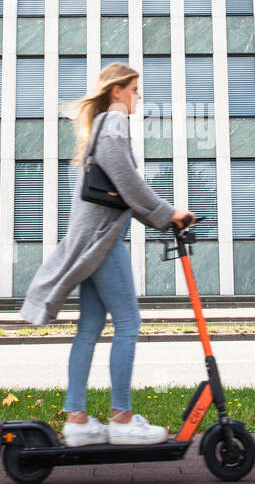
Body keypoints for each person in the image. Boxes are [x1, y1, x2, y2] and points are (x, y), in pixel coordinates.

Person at [19, 63, 192, 447]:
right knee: (129, 322)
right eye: (134, 88)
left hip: (92, 241)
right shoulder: (114, 124)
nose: (138, 96)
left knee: (90, 327)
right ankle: (122, 418)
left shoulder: (102, 126)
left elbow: (124, 195)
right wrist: (169, 213)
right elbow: (130, 185)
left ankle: (77, 419)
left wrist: (160, 218)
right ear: (117, 91)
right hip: (102, 242)